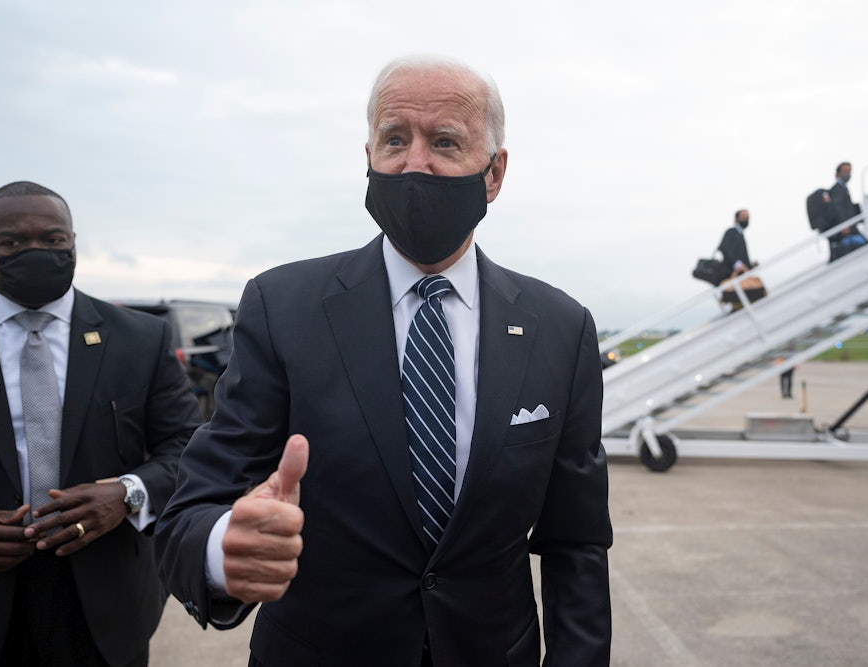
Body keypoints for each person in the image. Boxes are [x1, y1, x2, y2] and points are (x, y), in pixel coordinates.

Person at [155, 56, 613, 666]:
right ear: (368, 156)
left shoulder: (561, 328)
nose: (414, 163)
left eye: (445, 142)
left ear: (494, 172)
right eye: (395, 139)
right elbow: (193, 508)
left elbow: (576, 540)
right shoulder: (282, 306)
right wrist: (224, 548)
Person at [0, 182, 203, 666]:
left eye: (53, 240)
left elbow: (186, 447)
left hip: (104, 608)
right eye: (12, 242)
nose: (37, 252)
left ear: (73, 242)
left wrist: (128, 493)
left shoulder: (141, 339)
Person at [826, 162, 868, 262]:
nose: (848, 174)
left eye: (849, 171)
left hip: (850, 226)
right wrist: (844, 225)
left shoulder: (843, 188)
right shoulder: (837, 189)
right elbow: (838, 208)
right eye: (845, 171)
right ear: (837, 173)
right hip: (847, 228)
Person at [717, 209, 753, 275]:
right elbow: (723, 247)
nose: (746, 219)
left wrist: (750, 266)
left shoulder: (740, 234)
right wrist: (737, 263)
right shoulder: (731, 232)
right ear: (736, 219)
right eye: (743, 217)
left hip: (742, 273)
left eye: (747, 217)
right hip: (730, 272)